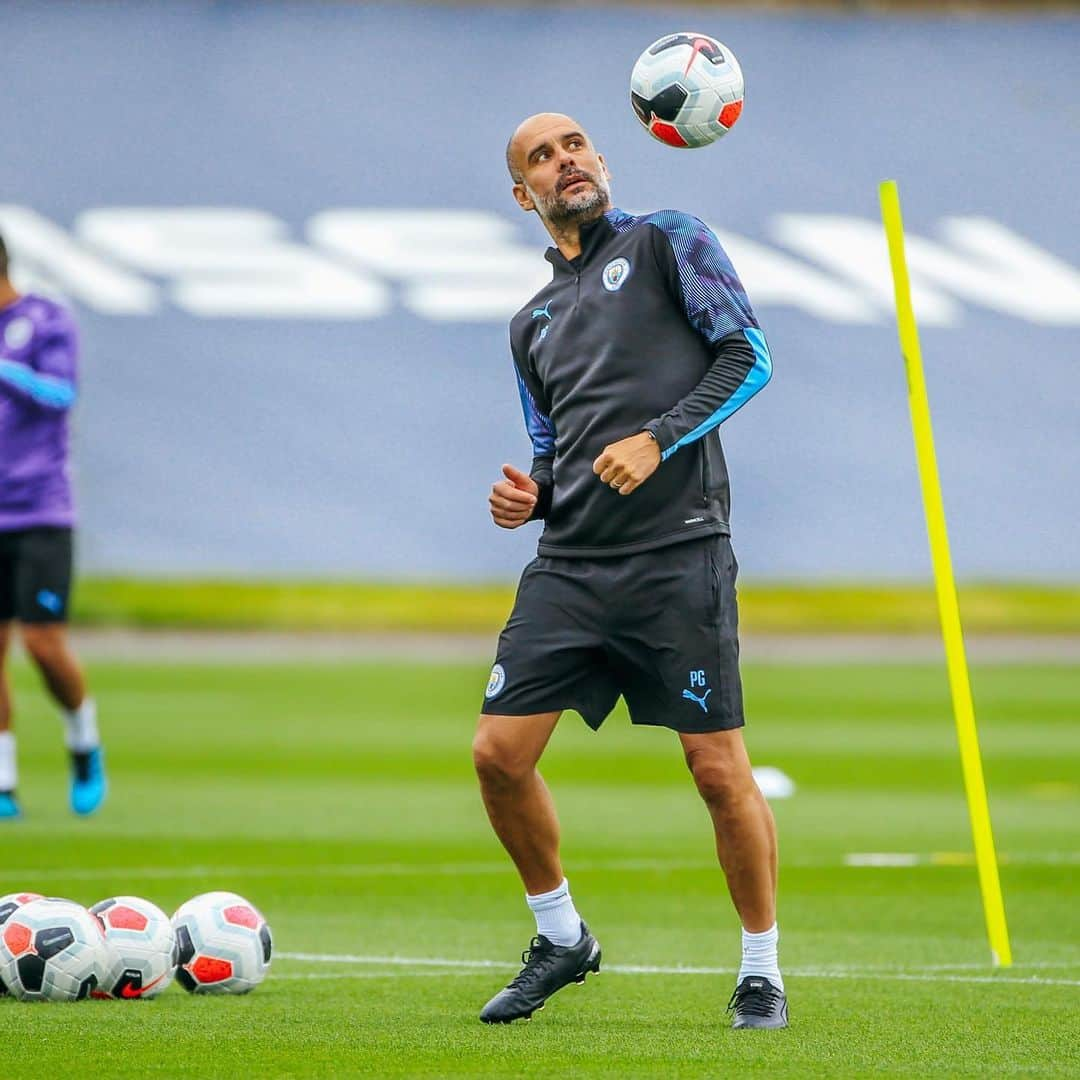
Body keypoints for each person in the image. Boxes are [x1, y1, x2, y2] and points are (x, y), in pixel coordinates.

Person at [472, 114, 784, 1029]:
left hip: (678, 553)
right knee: (496, 757)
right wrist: (532, 496)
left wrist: (657, 438)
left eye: (576, 144)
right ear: (522, 193)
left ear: (602, 162)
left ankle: (760, 968)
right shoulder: (528, 324)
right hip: (570, 566)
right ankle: (561, 936)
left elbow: (750, 355)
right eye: (541, 154)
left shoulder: (667, 239)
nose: (564, 159)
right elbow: (551, 452)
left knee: (718, 771)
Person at [0, 230, 106, 819]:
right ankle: (3, 781)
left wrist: (5, 371)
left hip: (39, 507)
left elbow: (60, 393)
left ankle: (82, 739)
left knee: (43, 643)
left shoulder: (44, 320)